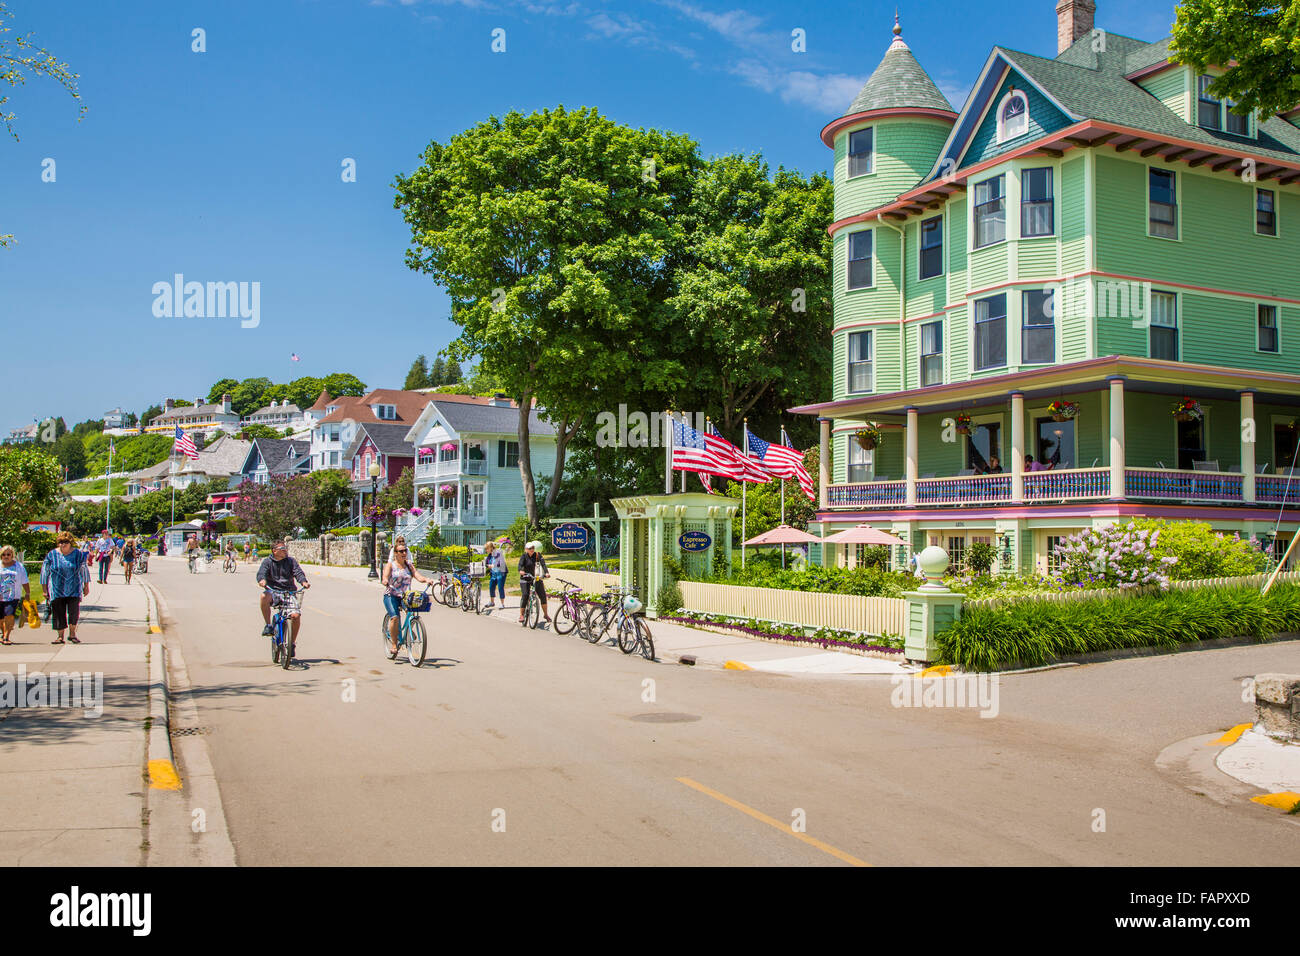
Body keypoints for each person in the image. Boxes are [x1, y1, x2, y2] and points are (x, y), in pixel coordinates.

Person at [381, 540, 433, 656]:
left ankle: (409, 629)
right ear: (395, 553)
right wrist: (385, 580)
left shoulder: (409, 565)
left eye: (405, 551)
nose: (404, 553)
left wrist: (426, 580)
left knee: (412, 611)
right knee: (395, 617)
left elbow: (417, 575)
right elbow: (385, 576)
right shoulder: (391, 565)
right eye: (401, 551)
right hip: (391, 595)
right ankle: (394, 644)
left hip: (405, 596)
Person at [256, 539, 310, 650]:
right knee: (263, 596)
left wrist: (303, 581)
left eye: (285, 548)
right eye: (282, 549)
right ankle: (268, 625)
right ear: (274, 551)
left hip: (289, 592)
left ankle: (292, 644)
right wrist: (262, 580)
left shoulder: (291, 561)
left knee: (295, 616)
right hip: (274, 591)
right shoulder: (267, 562)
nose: (285, 550)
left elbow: (298, 572)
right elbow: (262, 572)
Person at [41, 531, 91, 644]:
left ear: (70, 543)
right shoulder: (52, 555)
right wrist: (44, 590)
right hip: (56, 589)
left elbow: (84, 569)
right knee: (58, 612)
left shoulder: (77, 554)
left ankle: (72, 634)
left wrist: (86, 585)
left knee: (73, 612)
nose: (63, 544)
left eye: (66, 542)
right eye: (61, 542)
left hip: (74, 588)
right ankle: (60, 636)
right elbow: (45, 572)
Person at [0, 545, 31, 645]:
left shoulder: (18, 566)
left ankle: (6, 636)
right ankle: (3, 632)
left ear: (12, 555)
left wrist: (27, 593)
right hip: (0, 596)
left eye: (8, 554)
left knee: (9, 615)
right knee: (1, 618)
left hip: (13, 596)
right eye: (4, 554)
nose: (6, 556)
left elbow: (25, 581)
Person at [517, 540, 551, 626]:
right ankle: (521, 615)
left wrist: (546, 572)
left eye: (532, 548)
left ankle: (546, 615)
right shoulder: (524, 556)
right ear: (526, 549)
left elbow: (543, 564)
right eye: (529, 548)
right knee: (525, 595)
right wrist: (521, 571)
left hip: (536, 577)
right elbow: (520, 565)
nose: (531, 549)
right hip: (525, 578)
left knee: (542, 595)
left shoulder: (537, 555)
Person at [484, 541, 508, 611]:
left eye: (487, 549)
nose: (486, 550)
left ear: (491, 548)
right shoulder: (489, 555)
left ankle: (502, 604)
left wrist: (493, 565)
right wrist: (487, 565)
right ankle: (492, 602)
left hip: (501, 572)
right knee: (491, 586)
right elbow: (486, 563)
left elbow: (501, 562)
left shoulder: (498, 553)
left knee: (500, 587)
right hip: (494, 573)